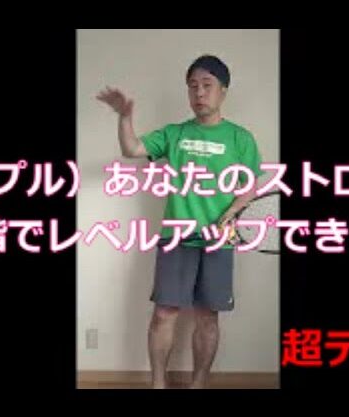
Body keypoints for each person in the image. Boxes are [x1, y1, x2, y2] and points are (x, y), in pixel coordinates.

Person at [97, 55, 264, 388]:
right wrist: (125, 117)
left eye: (207, 85)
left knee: (208, 317)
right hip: (176, 238)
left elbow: (250, 186)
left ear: (223, 90)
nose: (199, 93)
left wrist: (229, 215)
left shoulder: (240, 138)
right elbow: (132, 148)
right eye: (192, 86)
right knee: (164, 314)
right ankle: (158, 384)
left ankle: (198, 383)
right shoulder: (175, 133)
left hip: (219, 240)